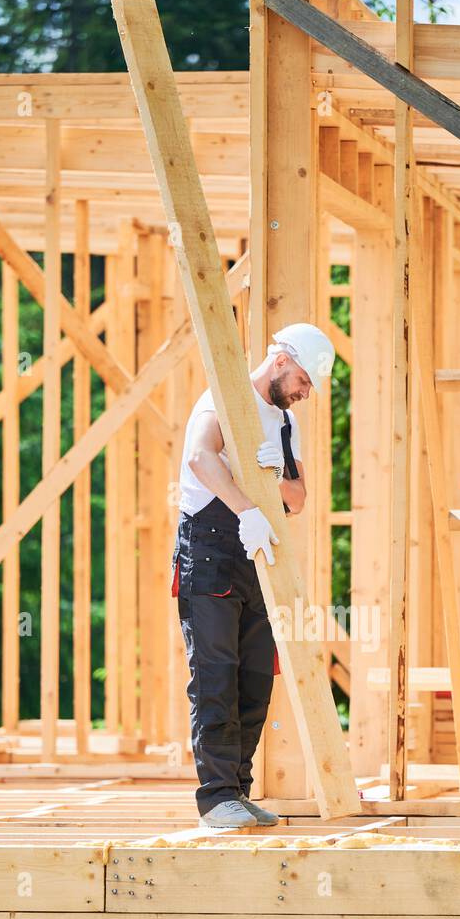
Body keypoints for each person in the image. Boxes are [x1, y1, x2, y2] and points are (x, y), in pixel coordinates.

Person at [171, 323, 336, 829]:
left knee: (255, 678)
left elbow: (299, 498)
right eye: (305, 382)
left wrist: (278, 472)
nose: (306, 394)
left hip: (256, 556)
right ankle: (215, 797)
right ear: (283, 361)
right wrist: (247, 508)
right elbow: (201, 456)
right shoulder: (223, 398)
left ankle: (237, 793)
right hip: (210, 552)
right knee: (216, 676)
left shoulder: (286, 425)